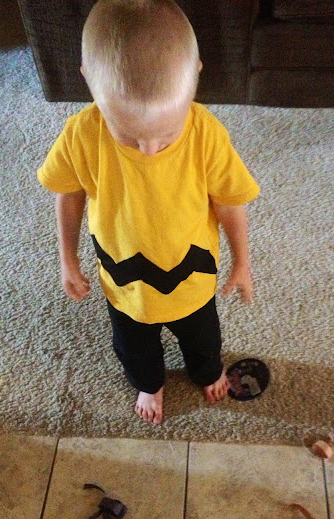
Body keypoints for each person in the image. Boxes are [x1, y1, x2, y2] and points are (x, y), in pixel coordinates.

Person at [37, 0, 260, 425]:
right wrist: (67, 258)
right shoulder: (81, 135)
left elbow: (230, 200)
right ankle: (149, 383)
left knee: (205, 342)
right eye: (128, 135)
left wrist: (242, 262)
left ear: (196, 74)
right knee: (134, 349)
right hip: (126, 286)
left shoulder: (207, 134)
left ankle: (207, 371)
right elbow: (68, 193)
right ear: (88, 80)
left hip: (192, 281)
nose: (149, 150)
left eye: (167, 135)